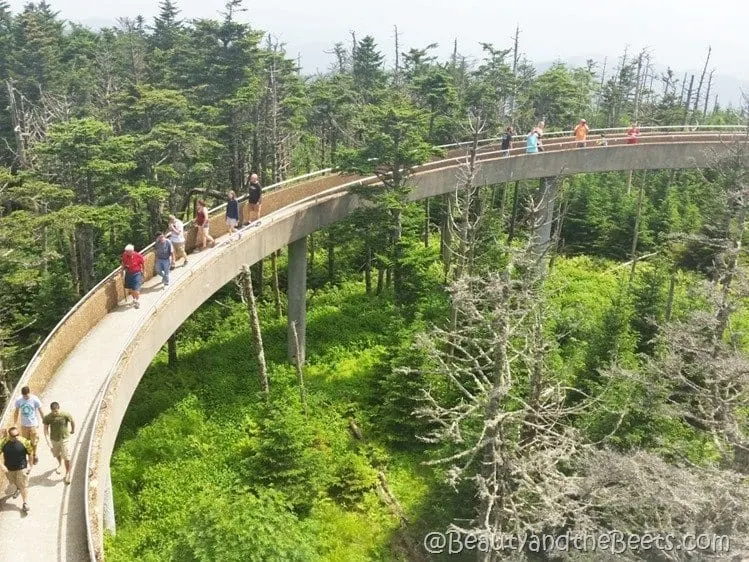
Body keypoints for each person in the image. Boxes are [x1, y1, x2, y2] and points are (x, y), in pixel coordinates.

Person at [0, 427, 33, 512]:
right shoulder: (3, 442)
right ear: (9, 436)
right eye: (14, 436)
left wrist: (30, 465)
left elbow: (30, 453)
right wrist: (1, 465)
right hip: (9, 469)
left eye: (18, 435)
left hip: (21, 467)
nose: (16, 437)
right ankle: (17, 488)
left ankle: (25, 503)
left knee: (23, 485)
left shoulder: (24, 441)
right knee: (13, 483)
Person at [43, 402, 75, 485]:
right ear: (51, 410)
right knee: (56, 453)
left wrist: (73, 430)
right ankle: (60, 464)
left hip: (64, 438)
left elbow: (72, 420)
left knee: (66, 456)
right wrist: (48, 441)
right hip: (54, 439)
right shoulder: (48, 417)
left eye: (56, 411)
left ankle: (68, 473)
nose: (55, 413)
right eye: (53, 411)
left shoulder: (65, 414)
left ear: (58, 408)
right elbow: (45, 429)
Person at [14, 385, 44, 465]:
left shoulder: (34, 399)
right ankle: (29, 456)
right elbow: (16, 412)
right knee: (25, 442)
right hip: (24, 426)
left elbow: (40, 410)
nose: (25, 398)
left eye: (27, 396)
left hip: (33, 425)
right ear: (22, 394)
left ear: (29, 393)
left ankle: (34, 455)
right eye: (24, 396)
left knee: (34, 442)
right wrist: (15, 424)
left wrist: (44, 420)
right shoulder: (19, 400)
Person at [121, 244, 144, 308]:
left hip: (137, 273)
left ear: (132, 251)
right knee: (130, 289)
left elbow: (142, 263)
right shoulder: (125, 255)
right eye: (126, 251)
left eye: (128, 252)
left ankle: (137, 301)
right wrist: (122, 271)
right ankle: (134, 299)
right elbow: (123, 263)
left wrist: (143, 271)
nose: (126, 253)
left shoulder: (138, 256)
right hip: (128, 273)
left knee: (136, 289)